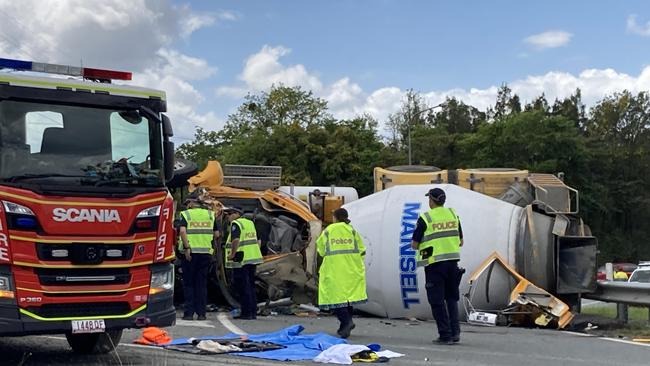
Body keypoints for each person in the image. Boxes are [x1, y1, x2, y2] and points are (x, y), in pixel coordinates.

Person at [411, 188, 463, 345]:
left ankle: (445, 335)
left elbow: (414, 244)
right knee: (451, 298)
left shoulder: (425, 218)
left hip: (435, 265)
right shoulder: (453, 214)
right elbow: (460, 241)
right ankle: (455, 333)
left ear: (431, 201)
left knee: (437, 301)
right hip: (453, 263)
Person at [316, 208, 368, 338]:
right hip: (351, 270)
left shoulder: (329, 231)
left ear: (335, 217)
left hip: (334, 270)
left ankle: (347, 322)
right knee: (348, 299)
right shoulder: (352, 231)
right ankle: (344, 327)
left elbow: (321, 249)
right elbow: (362, 250)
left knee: (336, 299)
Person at [179, 199, 219, 321]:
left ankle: (189, 314)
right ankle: (201, 314)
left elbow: (182, 231)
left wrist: (186, 247)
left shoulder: (186, 214)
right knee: (201, 284)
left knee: (189, 284)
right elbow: (217, 234)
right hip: (205, 253)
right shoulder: (210, 215)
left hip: (190, 254)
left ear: (191, 204)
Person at [224, 207, 263, 320]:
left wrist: (232, 254)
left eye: (230, 214)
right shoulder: (250, 223)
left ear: (237, 214)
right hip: (252, 258)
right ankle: (252, 312)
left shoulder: (236, 224)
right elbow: (258, 240)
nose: (228, 216)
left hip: (241, 259)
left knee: (243, 287)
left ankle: (246, 313)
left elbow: (235, 240)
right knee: (250, 285)